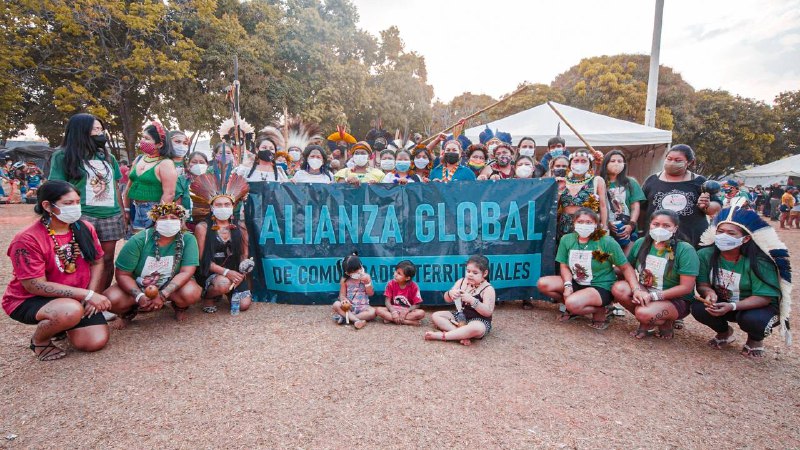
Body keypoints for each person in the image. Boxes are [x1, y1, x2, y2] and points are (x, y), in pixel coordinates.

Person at [2, 181, 109, 360]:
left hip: (76, 297)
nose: (75, 207)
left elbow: (97, 262)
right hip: (30, 299)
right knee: (70, 311)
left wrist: (91, 294)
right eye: (68, 203)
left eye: (77, 202)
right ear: (47, 205)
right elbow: (34, 285)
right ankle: (39, 341)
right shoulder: (27, 239)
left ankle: (62, 326)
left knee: (93, 342)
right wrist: (87, 295)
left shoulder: (84, 228)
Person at [691, 200, 792, 358]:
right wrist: (709, 292)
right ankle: (725, 332)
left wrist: (732, 306)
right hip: (723, 302)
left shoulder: (759, 261)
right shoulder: (705, 254)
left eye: (731, 234)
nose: (724, 236)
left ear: (745, 239)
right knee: (698, 307)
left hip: (755, 308)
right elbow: (703, 284)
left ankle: (755, 339)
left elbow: (764, 297)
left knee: (753, 319)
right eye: (720, 231)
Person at [49, 113, 124, 291]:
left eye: (101, 129)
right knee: (80, 258)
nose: (100, 134)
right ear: (81, 131)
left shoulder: (108, 157)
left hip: (110, 216)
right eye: (95, 129)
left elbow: (114, 187)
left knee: (106, 260)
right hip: (81, 215)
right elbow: (56, 188)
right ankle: (80, 296)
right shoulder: (63, 156)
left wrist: (122, 213)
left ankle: (100, 299)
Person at [537, 208, 639, 329]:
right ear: (574, 223)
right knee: (543, 284)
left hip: (600, 285)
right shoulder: (567, 239)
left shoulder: (607, 242)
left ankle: (600, 309)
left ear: (596, 224)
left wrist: (636, 289)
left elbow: (625, 267)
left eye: (589, 222)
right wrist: (568, 285)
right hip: (576, 281)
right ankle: (577, 306)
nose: (584, 225)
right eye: (580, 222)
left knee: (571, 303)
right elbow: (564, 265)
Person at [104, 202, 201, 325]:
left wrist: (163, 294)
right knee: (111, 299)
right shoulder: (139, 240)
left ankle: (179, 306)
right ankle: (129, 311)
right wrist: (139, 296)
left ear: (181, 222)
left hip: (170, 285)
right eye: (163, 218)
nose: (169, 221)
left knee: (191, 292)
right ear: (155, 222)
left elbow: (187, 271)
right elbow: (122, 274)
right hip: (139, 285)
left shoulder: (187, 239)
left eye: (174, 218)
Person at [611, 210, 699, 339]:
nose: (660, 229)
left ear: (675, 228)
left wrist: (653, 296)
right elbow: (626, 268)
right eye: (656, 224)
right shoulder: (641, 243)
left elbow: (686, 288)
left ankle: (659, 321)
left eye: (666, 226)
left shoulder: (685, 250)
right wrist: (636, 290)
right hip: (645, 290)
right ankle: (652, 320)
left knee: (643, 313)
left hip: (675, 298)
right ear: (650, 225)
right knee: (618, 288)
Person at [192, 172, 252, 314]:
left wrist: (242, 271)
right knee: (223, 283)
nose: (223, 207)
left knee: (243, 305)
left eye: (226, 204)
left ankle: (227, 291)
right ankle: (209, 296)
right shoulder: (203, 228)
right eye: (218, 204)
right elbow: (203, 259)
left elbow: (244, 253)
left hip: (235, 271)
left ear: (233, 206)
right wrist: (226, 272)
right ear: (211, 207)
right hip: (212, 272)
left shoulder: (241, 226)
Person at [642, 144, 720, 247]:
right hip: (658, 239)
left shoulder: (699, 181)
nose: (672, 162)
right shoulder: (652, 180)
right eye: (669, 159)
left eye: (678, 160)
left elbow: (717, 206)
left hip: (692, 239)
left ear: (689, 162)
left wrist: (706, 206)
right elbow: (642, 208)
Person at [425, 255, 495, 345]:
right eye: (468, 271)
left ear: (485, 273)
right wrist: (450, 293)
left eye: (475, 273)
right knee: (436, 315)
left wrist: (472, 300)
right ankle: (460, 335)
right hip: (461, 317)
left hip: (479, 321)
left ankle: (444, 336)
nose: (470, 274)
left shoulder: (488, 289)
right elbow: (447, 299)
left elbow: (488, 312)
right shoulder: (462, 281)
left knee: (476, 328)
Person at [124, 121, 177, 232]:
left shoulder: (165, 163)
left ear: (160, 144)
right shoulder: (139, 159)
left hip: (152, 210)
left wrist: (158, 217)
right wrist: (127, 209)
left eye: (147, 139)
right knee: (137, 245)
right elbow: (129, 187)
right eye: (142, 137)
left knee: (151, 245)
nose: (142, 141)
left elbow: (169, 194)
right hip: (135, 208)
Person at [556, 148, 608, 240]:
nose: (579, 163)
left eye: (583, 161)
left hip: (587, 224)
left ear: (589, 164)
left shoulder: (597, 181)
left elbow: (603, 206)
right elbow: (555, 206)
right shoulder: (562, 181)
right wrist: (559, 190)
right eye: (576, 161)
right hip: (564, 225)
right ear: (570, 164)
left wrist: (604, 228)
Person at [600, 150, 645, 253]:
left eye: (620, 161)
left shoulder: (630, 182)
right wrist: (606, 223)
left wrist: (631, 225)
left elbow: (635, 207)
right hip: (606, 229)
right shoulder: (599, 181)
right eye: (613, 160)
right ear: (606, 163)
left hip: (627, 229)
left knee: (625, 261)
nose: (616, 163)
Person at [331, 252, 376, 329]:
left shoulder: (366, 277)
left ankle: (347, 318)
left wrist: (367, 283)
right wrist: (344, 300)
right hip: (349, 307)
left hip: (363, 307)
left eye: (359, 268)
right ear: (348, 273)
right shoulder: (344, 280)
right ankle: (357, 320)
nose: (359, 271)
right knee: (336, 304)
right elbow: (342, 295)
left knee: (373, 312)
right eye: (355, 271)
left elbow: (371, 293)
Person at [375, 260, 425, 325]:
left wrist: (406, 311)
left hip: (407, 310)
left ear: (407, 278)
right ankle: (408, 322)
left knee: (421, 313)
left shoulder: (414, 286)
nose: (395, 274)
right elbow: (387, 301)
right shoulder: (390, 284)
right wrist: (393, 311)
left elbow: (417, 304)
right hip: (394, 308)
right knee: (378, 310)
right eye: (396, 271)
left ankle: (391, 319)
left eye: (399, 273)